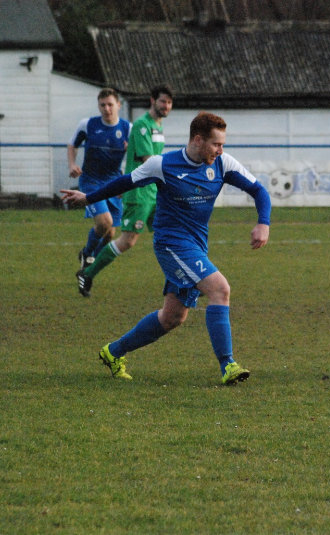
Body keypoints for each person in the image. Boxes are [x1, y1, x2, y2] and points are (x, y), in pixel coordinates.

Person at [61, 112, 271, 385]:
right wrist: (88, 197)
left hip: (196, 246)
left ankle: (113, 352)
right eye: (216, 144)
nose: (220, 150)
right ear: (198, 140)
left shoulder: (223, 163)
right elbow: (126, 181)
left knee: (172, 317)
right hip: (171, 244)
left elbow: (259, 191)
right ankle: (228, 365)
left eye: (222, 145)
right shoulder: (162, 165)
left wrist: (263, 223)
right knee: (220, 289)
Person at [76, 85, 174, 297]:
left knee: (168, 235)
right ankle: (88, 273)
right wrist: (175, 174)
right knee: (127, 240)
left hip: (154, 192)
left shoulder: (157, 126)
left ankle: (180, 280)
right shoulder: (141, 125)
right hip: (139, 193)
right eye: (162, 101)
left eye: (169, 102)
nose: (166, 106)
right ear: (152, 101)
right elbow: (149, 161)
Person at [67, 88, 131, 271]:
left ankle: (89, 265)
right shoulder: (88, 124)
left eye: (110, 104)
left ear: (118, 105)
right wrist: (72, 164)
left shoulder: (128, 128)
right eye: (103, 105)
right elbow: (72, 144)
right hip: (91, 182)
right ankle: (87, 254)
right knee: (104, 222)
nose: (107, 109)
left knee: (110, 234)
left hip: (114, 183)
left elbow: (138, 156)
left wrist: (126, 184)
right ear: (98, 106)